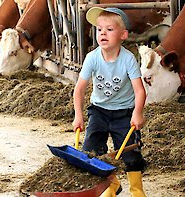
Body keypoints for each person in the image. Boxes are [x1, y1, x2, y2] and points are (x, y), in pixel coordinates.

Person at [72, 6, 147, 197]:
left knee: (130, 153)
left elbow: (140, 90)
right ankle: (110, 185)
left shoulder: (128, 59)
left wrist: (137, 113)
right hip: (98, 110)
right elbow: (79, 89)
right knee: (91, 150)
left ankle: (137, 190)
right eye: (99, 29)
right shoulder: (92, 57)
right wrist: (78, 116)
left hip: (124, 113)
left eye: (109, 29)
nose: (102, 33)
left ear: (123, 35)